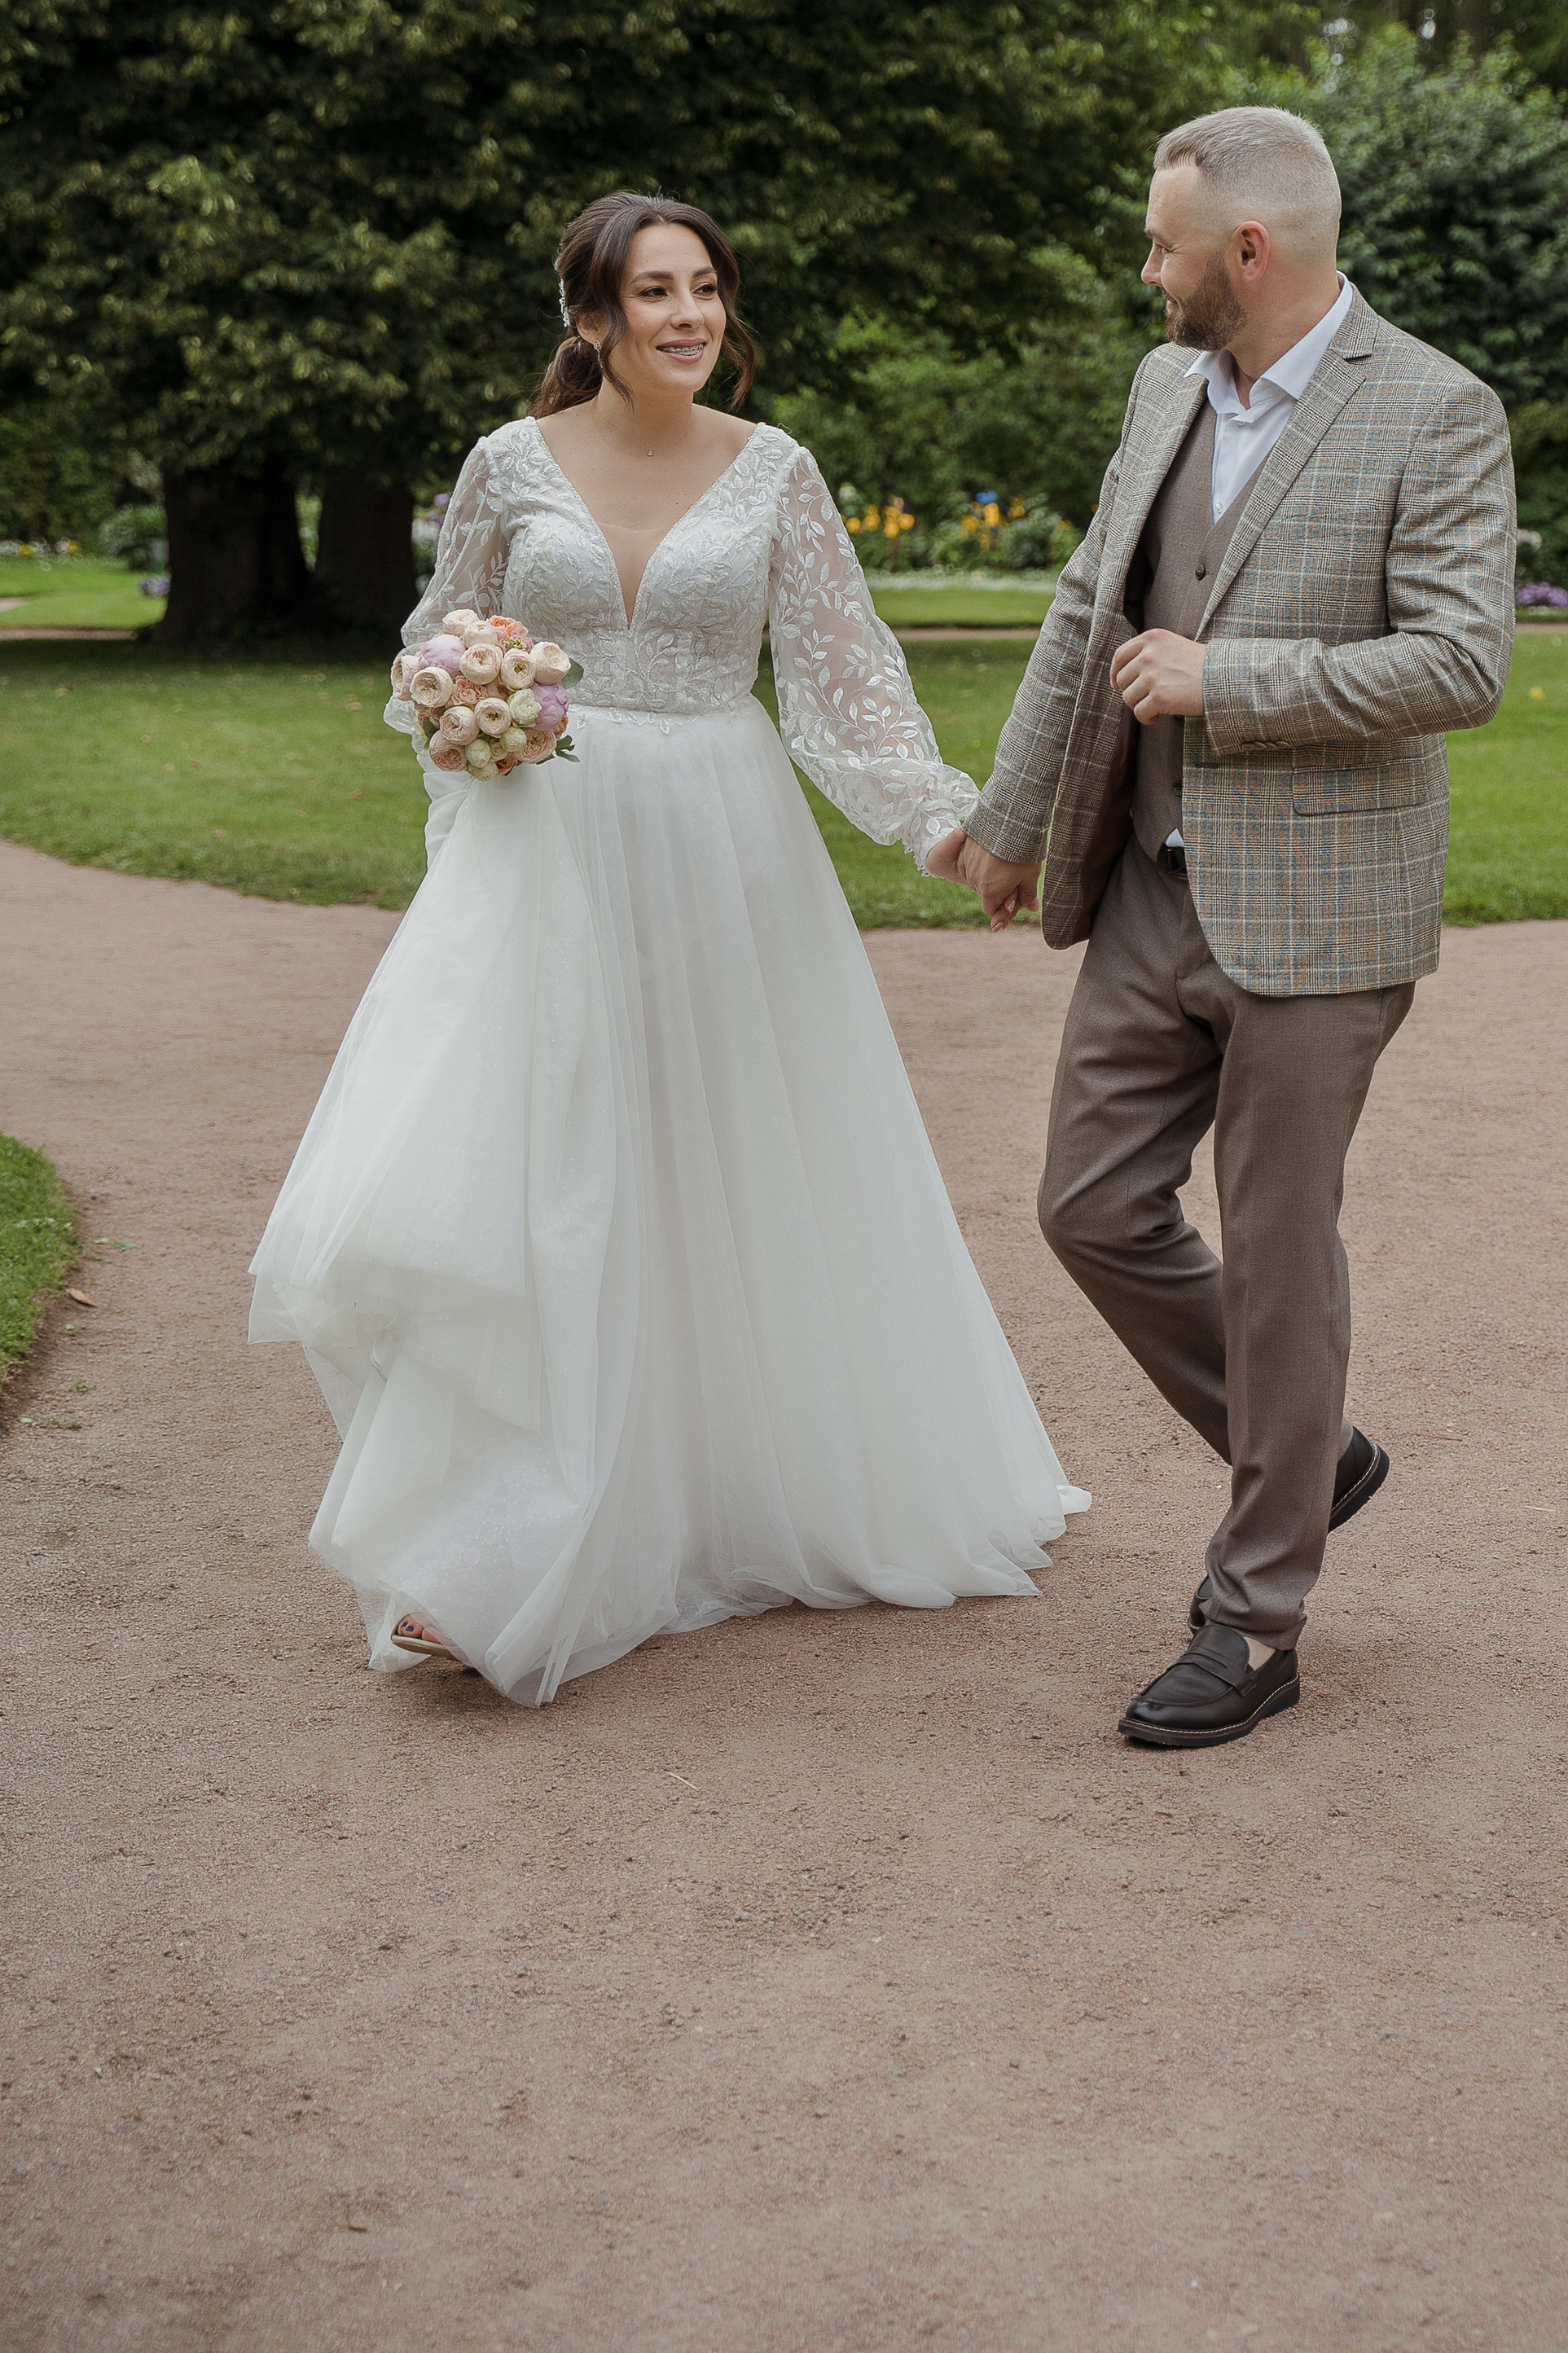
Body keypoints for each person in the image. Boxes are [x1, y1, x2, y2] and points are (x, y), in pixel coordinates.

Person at [250, 190, 1085, 1705]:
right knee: (539, 1175)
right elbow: (431, 647)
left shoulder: (776, 472)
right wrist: (467, 710)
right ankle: (489, 1547)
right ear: (592, 319)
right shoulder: (511, 465)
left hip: (719, 844)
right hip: (542, 847)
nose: (691, 315)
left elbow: (848, 687)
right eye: (656, 293)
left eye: (706, 289)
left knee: (714, 1155)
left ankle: (721, 1490)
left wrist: (946, 825)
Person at [942, 106, 1514, 1749]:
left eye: (1161, 245)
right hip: (1144, 889)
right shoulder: (1158, 389)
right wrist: (1015, 818)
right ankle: (1309, 1456)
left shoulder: (1432, 410)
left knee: (1275, 1255)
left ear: (1244, 255)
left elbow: (1459, 664)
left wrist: (1228, 682)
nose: (1146, 270)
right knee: (1088, 1207)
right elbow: (1083, 604)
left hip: (1321, 917)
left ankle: (1255, 1619)